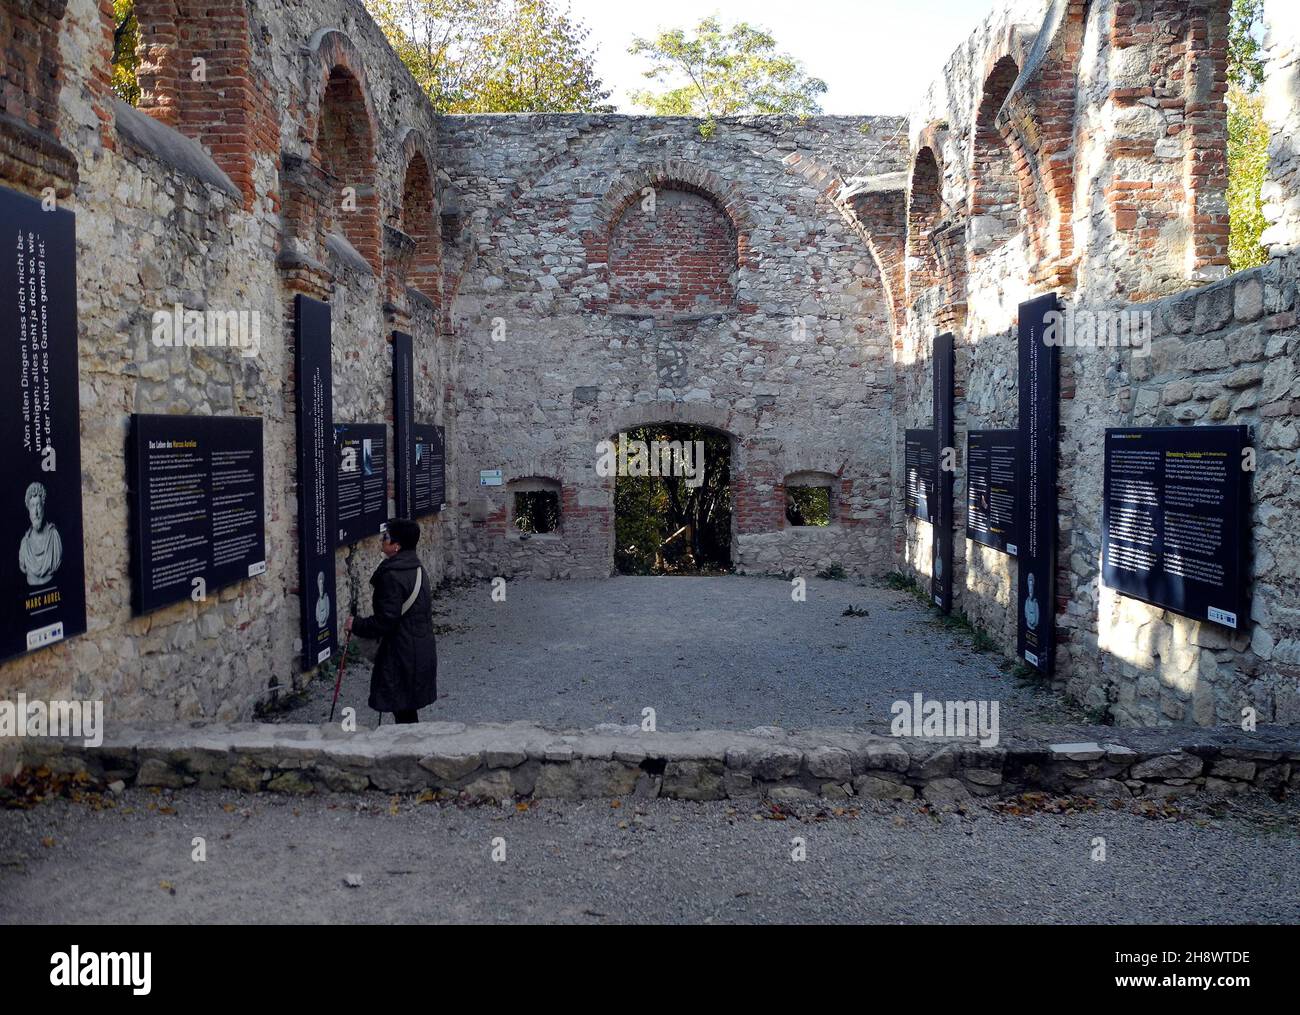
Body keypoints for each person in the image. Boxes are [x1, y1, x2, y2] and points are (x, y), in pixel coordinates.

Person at [345, 518, 437, 723]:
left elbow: (386, 621)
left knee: (403, 710)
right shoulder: (418, 568)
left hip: (401, 652)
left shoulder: (392, 576)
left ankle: (408, 753)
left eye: (386, 537)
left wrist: (357, 624)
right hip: (419, 647)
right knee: (406, 708)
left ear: (396, 546)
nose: (381, 540)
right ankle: (410, 751)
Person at [19, 481, 62, 587]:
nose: (36, 512)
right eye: (32, 506)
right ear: (29, 510)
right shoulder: (25, 543)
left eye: (38, 505)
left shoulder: (54, 537)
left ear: (43, 506)